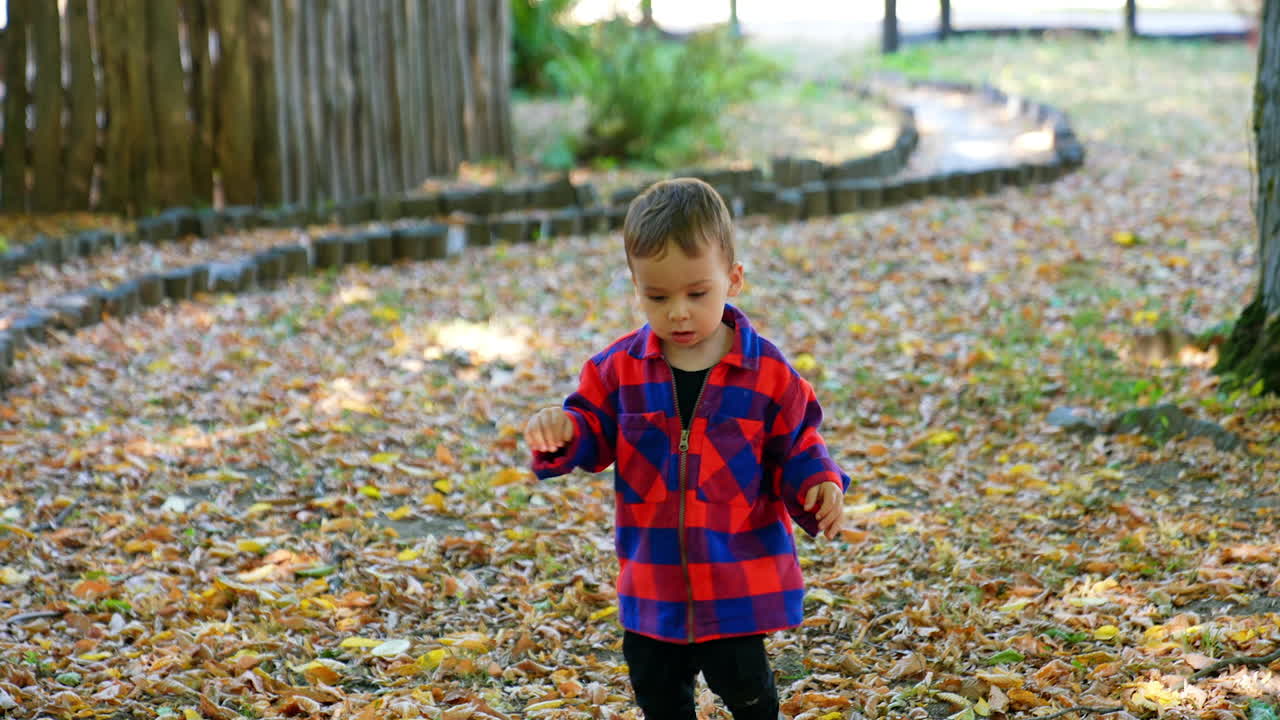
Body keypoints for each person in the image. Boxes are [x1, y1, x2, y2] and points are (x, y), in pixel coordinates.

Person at [524, 177, 850, 720]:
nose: (678, 312)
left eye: (697, 294)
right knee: (657, 690)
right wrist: (564, 430)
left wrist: (820, 483)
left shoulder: (766, 373)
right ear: (636, 289)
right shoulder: (619, 371)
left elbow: (799, 441)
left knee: (746, 687)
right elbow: (590, 429)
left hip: (736, 577)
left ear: (733, 280)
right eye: (657, 296)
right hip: (653, 578)